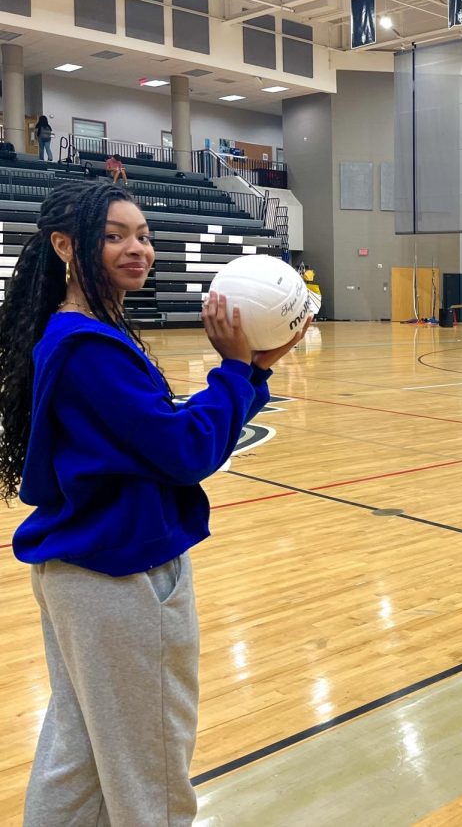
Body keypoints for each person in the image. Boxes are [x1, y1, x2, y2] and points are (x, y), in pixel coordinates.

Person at [0, 182, 308, 826]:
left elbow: (157, 440)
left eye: (142, 235)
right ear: (65, 246)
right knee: (153, 771)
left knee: (78, 756)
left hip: (82, 570)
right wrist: (235, 370)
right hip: (121, 578)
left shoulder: (79, 335)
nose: (137, 248)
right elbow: (183, 451)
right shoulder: (88, 347)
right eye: (114, 235)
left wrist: (250, 373)